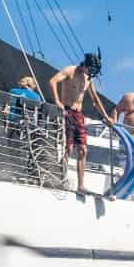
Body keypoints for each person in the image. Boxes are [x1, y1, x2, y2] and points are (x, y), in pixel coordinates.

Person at [49, 50, 112, 194]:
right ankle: (60, 178)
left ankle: (81, 186)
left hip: (79, 115)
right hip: (67, 110)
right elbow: (52, 81)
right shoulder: (70, 70)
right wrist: (57, 102)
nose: (91, 73)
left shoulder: (88, 78)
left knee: (83, 150)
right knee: (68, 148)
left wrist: (106, 117)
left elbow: (95, 99)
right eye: (91, 70)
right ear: (85, 65)